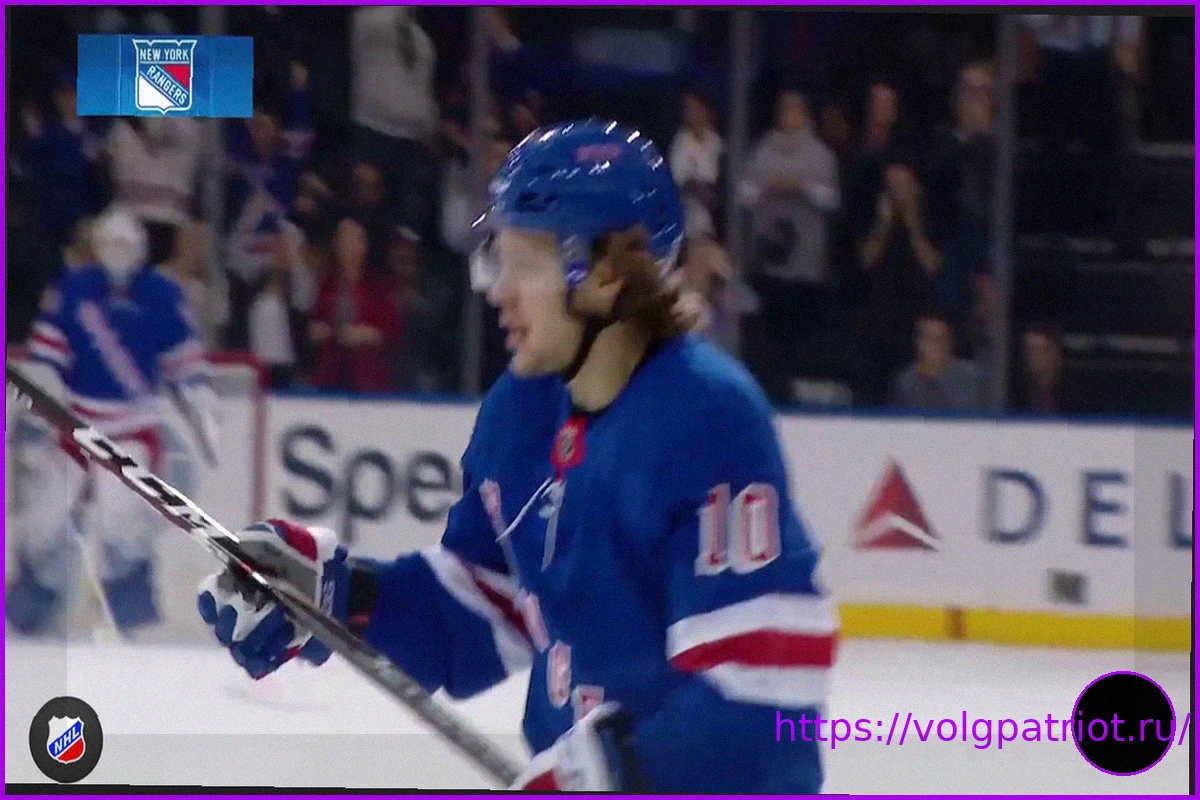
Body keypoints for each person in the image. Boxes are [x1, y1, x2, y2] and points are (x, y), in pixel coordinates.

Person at [195, 120, 835, 792]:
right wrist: (333, 595)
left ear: (609, 273)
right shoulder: (521, 412)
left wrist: (613, 773)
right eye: (496, 260)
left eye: (525, 263)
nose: (498, 290)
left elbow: (764, 709)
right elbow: (479, 610)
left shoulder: (704, 419)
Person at [7, 206, 220, 637]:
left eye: (127, 245)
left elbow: (185, 365)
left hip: (134, 429)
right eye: (112, 244)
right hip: (73, 425)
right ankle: (26, 617)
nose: (119, 254)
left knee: (120, 522)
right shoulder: (73, 289)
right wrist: (34, 414)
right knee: (48, 521)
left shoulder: (161, 294)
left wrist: (203, 408)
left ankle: (133, 619)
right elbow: (46, 362)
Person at [739, 89, 840, 400]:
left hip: (805, 265)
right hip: (767, 262)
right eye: (784, 108)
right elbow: (744, 195)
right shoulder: (762, 150)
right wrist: (768, 188)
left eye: (795, 108)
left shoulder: (821, 155)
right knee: (768, 335)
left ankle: (797, 394)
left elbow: (831, 200)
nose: (788, 114)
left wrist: (801, 186)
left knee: (801, 333)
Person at [308, 216, 403, 393]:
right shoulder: (326, 284)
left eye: (354, 239)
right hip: (330, 377)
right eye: (344, 239)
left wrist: (367, 335)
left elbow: (392, 330)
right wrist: (321, 332)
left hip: (368, 379)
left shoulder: (378, 286)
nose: (349, 245)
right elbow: (314, 323)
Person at [889, 310, 984, 410]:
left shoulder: (973, 378)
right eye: (928, 338)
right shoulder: (905, 383)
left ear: (950, 342)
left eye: (939, 338)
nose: (934, 346)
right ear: (917, 342)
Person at [669, 91, 725, 240]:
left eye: (696, 108)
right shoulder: (681, 142)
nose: (692, 113)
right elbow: (680, 178)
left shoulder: (718, 143)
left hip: (717, 222)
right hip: (689, 222)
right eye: (688, 109)